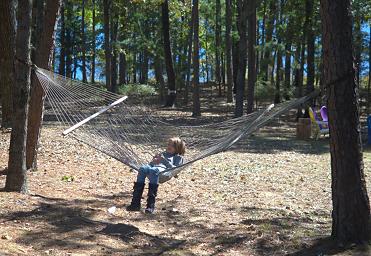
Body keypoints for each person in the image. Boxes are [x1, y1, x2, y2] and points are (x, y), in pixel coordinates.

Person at [126, 137, 186, 213]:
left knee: (153, 170)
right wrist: (154, 161)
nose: (169, 146)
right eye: (168, 144)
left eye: (172, 145)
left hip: (164, 172)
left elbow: (175, 169)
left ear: (178, 148)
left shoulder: (178, 157)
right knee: (142, 168)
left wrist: (164, 160)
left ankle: (150, 205)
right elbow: (151, 164)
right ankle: (135, 204)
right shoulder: (163, 154)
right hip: (153, 168)